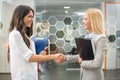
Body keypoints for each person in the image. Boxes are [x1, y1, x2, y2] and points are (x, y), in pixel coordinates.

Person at [8, 5, 64, 80]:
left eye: (32, 17)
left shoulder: (25, 35)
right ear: (20, 17)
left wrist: (40, 55)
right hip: (22, 77)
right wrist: (53, 56)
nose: (32, 19)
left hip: (30, 76)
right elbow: (30, 58)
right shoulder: (15, 35)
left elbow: (30, 56)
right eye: (29, 16)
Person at [57, 8, 107, 80]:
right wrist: (65, 57)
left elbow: (97, 63)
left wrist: (81, 62)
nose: (83, 21)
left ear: (93, 21)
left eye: (85, 19)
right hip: (84, 76)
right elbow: (81, 56)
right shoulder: (87, 36)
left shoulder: (101, 38)